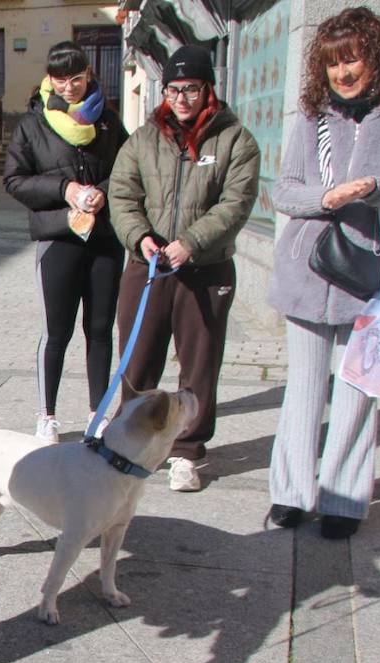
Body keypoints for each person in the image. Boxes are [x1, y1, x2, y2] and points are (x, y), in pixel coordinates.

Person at [266, 7, 380, 539]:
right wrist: (326, 197)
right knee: (304, 389)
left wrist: (376, 190)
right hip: (308, 269)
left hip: (369, 274)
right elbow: (284, 189)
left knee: (360, 392)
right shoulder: (313, 115)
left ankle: (343, 500)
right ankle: (291, 494)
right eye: (333, 63)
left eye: (353, 59)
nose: (343, 73)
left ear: (376, 56)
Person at [108, 44, 260, 491]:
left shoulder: (235, 139)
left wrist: (191, 243)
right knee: (138, 360)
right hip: (148, 266)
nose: (181, 99)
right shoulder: (144, 138)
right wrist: (141, 237)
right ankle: (130, 439)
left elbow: (237, 201)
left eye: (190, 89)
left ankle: (187, 452)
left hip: (205, 269)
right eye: (173, 89)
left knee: (198, 366)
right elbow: (122, 194)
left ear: (207, 88)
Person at [3, 41, 128, 443]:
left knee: (100, 329)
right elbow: (14, 180)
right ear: (50, 80)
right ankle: (47, 415)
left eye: (76, 78)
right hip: (58, 236)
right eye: (61, 80)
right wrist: (66, 188)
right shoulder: (32, 123)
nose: (69, 87)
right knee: (56, 331)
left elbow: (129, 169)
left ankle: (98, 413)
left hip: (105, 238)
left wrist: (104, 190)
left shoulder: (108, 121)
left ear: (88, 74)